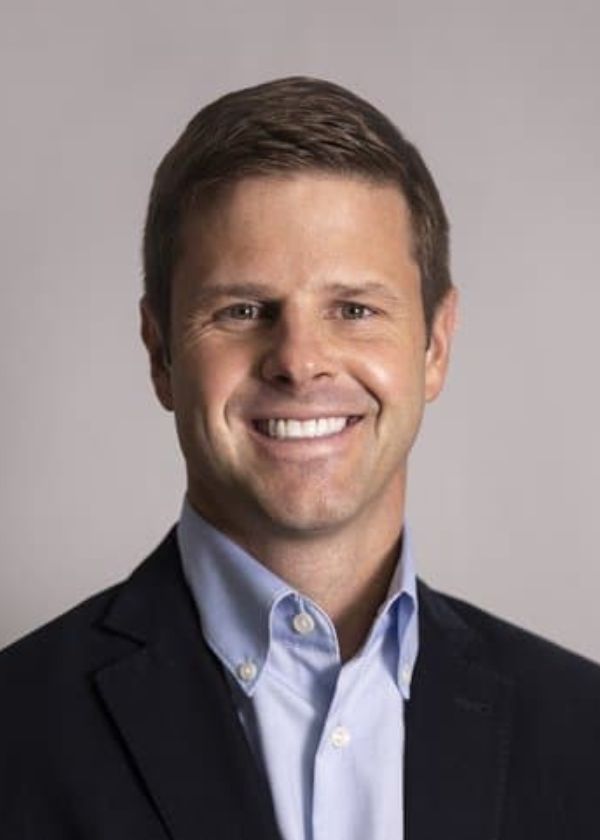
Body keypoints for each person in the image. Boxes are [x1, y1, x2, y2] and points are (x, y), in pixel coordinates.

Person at [0, 76, 598, 840]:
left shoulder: (583, 735)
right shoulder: (15, 732)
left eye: (353, 309)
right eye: (243, 311)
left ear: (435, 347)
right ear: (159, 356)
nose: (299, 361)